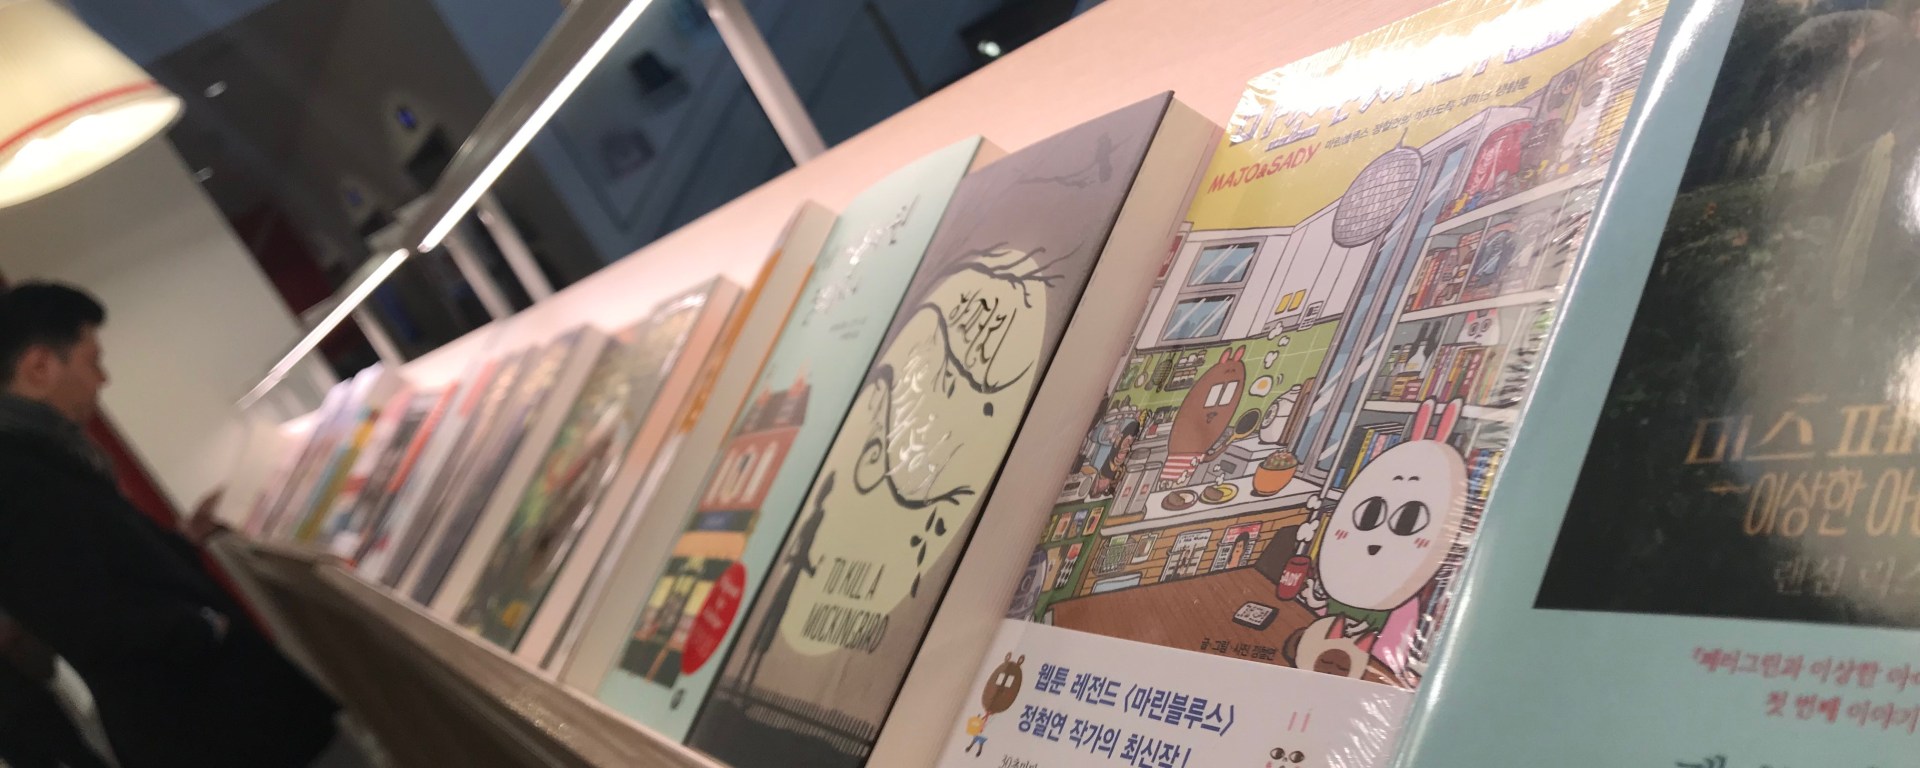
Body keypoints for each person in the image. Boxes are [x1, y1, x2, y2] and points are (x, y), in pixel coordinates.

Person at [0, 282, 355, 767]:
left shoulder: (46, 455)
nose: (102, 379)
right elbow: (84, 616)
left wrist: (186, 539)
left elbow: (107, 566)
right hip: (214, 726)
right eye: (91, 361)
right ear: (40, 367)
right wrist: (204, 627)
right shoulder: (19, 475)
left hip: (222, 716)